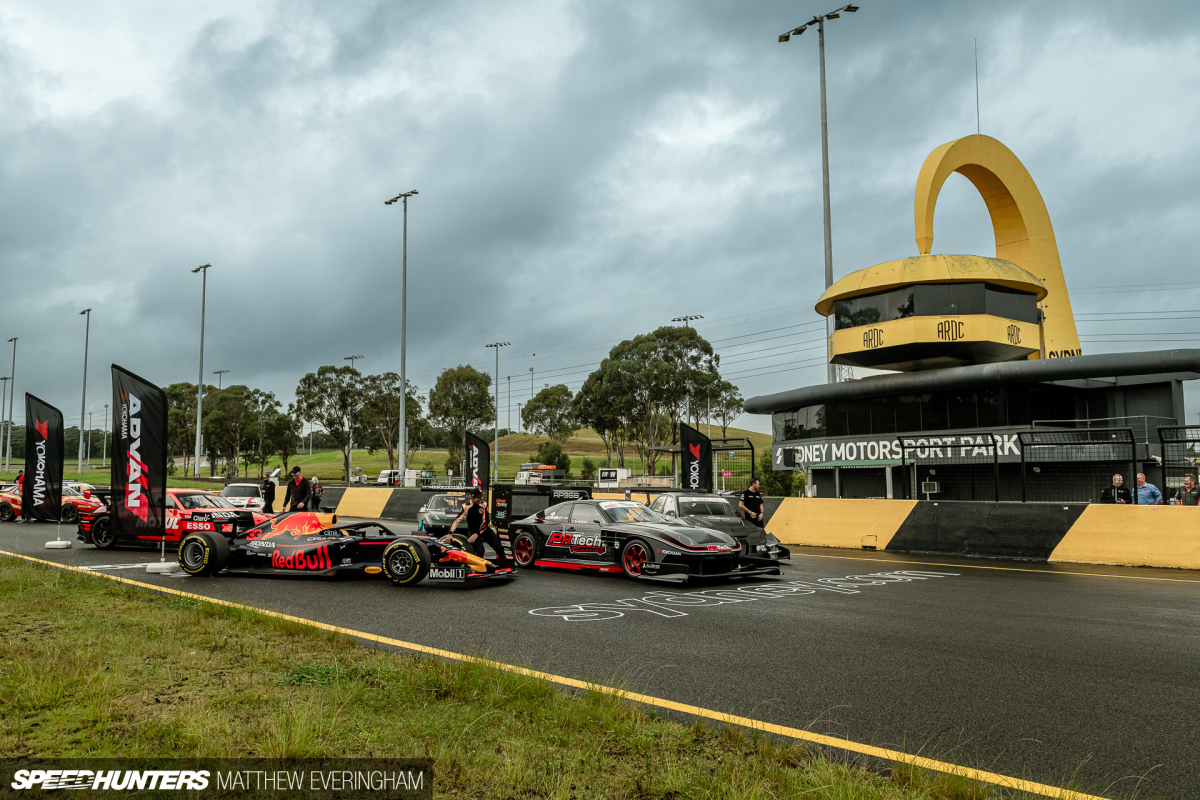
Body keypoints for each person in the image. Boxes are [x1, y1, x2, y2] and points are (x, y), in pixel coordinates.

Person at [448, 488, 512, 566]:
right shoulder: (466, 506)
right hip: (473, 531)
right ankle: (477, 567)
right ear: (472, 497)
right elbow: (457, 520)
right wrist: (450, 533)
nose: (480, 499)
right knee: (480, 550)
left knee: (499, 547)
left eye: (481, 497)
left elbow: (486, 521)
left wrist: (478, 533)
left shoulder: (484, 504)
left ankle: (504, 565)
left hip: (484, 529)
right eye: (478, 497)